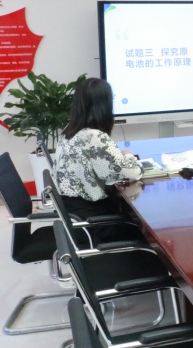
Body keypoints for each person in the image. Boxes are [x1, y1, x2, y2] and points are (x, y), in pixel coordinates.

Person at [54, 77, 143, 243]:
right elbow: (129, 173)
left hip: (76, 214)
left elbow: (103, 167)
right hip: (93, 223)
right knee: (144, 232)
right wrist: (129, 156)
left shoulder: (69, 131)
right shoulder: (93, 136)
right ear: (104, 105)